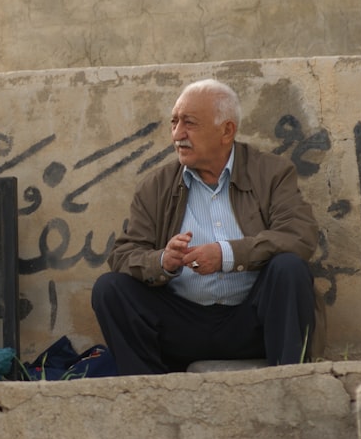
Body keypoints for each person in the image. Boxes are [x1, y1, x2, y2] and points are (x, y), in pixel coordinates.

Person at [91, 79, 321, 375]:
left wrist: (227, 255)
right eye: (174, 123)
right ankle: (149, 395)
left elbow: (299, 236)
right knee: (110, 289)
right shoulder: (155, 186)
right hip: (181, 326)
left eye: (190, 124)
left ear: (227, 130)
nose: (177, 135)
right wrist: (162, 261)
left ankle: (291, 383)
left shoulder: (272, 173)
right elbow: (124, 254)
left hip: (253, 322)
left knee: (290, 268)